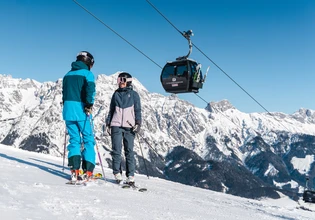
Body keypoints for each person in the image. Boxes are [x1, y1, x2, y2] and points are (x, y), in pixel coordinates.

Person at [62, 51, 96, 181]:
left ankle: (74, 170)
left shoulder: (67, 75)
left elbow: (64, 94)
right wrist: (89, 104)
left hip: (68, 111)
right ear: (88, 62)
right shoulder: (88, 74)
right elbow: (90, 90)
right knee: (88, 139)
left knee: (74, 140)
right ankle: (88, 171)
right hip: (82, 110)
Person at [105, 72, 142, 184]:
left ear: (128, 81)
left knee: (129, 151)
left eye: (122, 80)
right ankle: (117, 173)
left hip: (129, 126)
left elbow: (137, 110)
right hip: (116, 124)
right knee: (116, 150)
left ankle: (130, 175)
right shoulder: (115, 94)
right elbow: (111, 110)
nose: (120, 82)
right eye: (119, 80)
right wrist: (108, 123)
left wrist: (138, 123)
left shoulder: (134, 95)